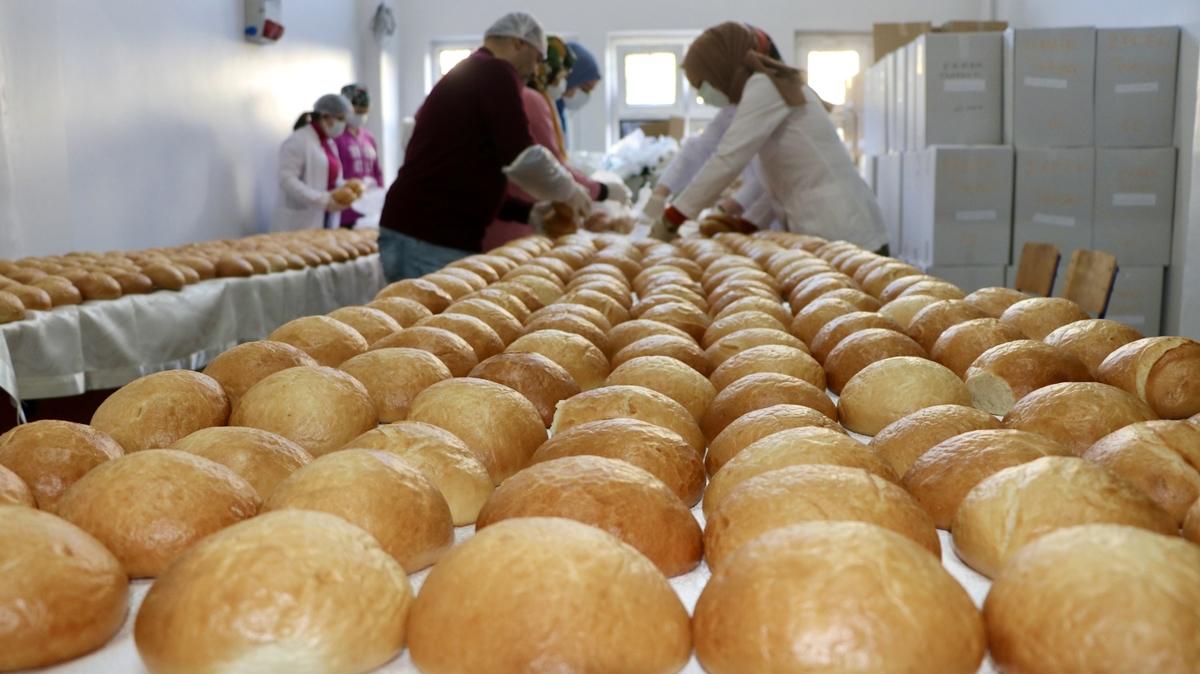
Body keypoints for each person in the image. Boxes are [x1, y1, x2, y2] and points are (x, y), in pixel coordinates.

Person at [378, 12, 591, 281]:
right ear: (519, 43)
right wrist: (568, 190)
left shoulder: (473, 71)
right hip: (431, 235)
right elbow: (523, 156)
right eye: (537, 58)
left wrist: (528, 212)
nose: (536, 70)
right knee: (437, 322)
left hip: (414, 229)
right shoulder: (496, 72)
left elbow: (466, 173)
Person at [650, 22, 888, 253]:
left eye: (703, 83)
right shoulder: (763, 91)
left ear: (720, 67)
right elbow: (776, 181)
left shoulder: (765, 86)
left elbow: (728, 159)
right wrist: (748, 223)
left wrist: (673, 217)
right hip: (828, 229)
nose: (702, 94)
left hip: (845, 228)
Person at [483, 36, 630, 250]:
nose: (564, 85)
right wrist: (602, 190)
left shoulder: (537, 102)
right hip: (509, 224)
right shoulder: (532, 100)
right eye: (562, 77)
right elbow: (549, 163)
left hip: (509, 213)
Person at [273, 93, 354, 232]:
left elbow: (332, 178)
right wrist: (322, 200)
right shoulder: (298, 141)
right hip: (299, 223)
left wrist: (346, 190)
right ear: (325, 117)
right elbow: (287, 180)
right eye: (340, 119)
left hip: (326, 220)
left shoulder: (328, 143)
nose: (343, 125)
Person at [334, 84, 385, 228]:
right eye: (357, 112)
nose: (360, 116)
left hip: (369, 210)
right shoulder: (336, 138)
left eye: (364, 112)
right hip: (345, 211)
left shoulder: (369, 138)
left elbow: (377, 171)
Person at [556, 41, 601, 145]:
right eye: (585, 89)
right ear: (570, 79)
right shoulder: (547, 107)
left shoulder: (559, 109)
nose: (585, 96)